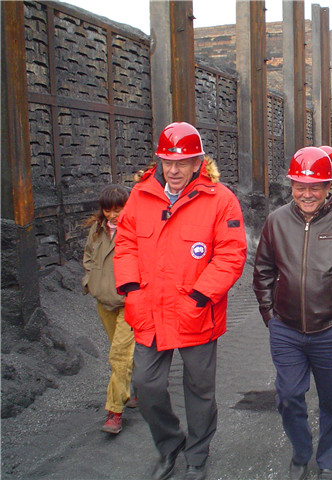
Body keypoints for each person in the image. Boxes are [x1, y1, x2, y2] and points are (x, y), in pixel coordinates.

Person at [114, 122, 247, 480]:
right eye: (168, 162)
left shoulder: (220, 200)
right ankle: (170, 444)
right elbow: (125, 244)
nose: (173, 170)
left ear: (197, 162)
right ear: (159, 161)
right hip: (149, 311)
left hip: (195, 312)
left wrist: (200, 297)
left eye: (182, 163)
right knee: (146, 385)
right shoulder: (141, 195)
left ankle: (197, 455)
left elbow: (231, 255)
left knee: (199, 391)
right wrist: (131, 289)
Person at [253, 147, 332, 480]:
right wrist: (270, 316)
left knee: (331, 402)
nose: (307, 194)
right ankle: (301, 450)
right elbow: (263, 271)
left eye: (315, 186)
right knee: (289, 396)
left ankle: (329, 457)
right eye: (300, 186)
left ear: (328, 185)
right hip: (286, 330)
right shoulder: (277, 221)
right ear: (291, 185)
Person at [82, 184, 134, 435]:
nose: (112, 215)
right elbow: (88, 256)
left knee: (119, 355)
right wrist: (90, 281)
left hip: (129, 303)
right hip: (104, 302)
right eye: (107, 210)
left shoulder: (136, 230)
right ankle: (133, 389)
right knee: (120, 352)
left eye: (117, 209)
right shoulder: (97, 230)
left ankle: (115, 411)